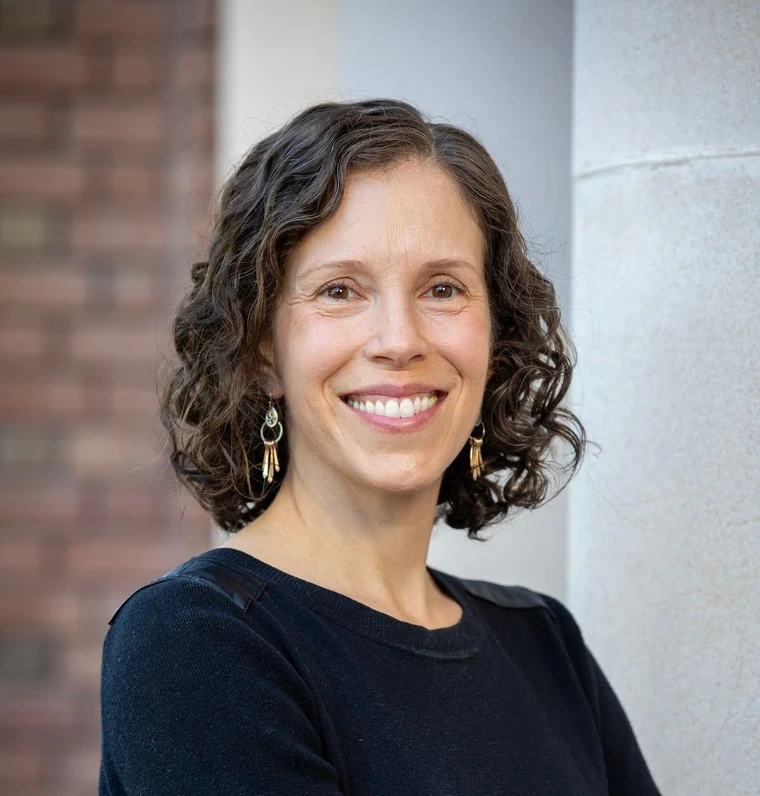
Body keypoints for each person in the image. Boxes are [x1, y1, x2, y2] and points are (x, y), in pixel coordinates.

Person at [98, 98, 663, 795]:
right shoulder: (196, 645)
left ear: (496, 337)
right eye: (340, 290)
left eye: (443, 288)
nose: (400, 339)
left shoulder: (547, 646)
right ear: (262, 351)